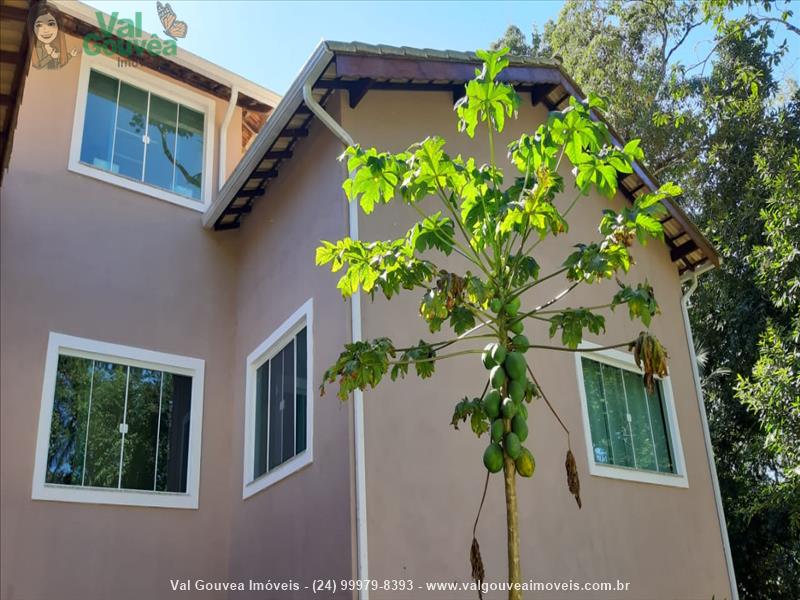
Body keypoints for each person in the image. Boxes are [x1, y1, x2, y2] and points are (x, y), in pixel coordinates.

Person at [29, 4, 78, 70]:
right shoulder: (38, 48)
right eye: (39, 25)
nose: (45, 30)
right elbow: (38, 65)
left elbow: (60, 64)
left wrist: (70, 55)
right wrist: (50, 56)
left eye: (51, 24)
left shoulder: (55, 47)